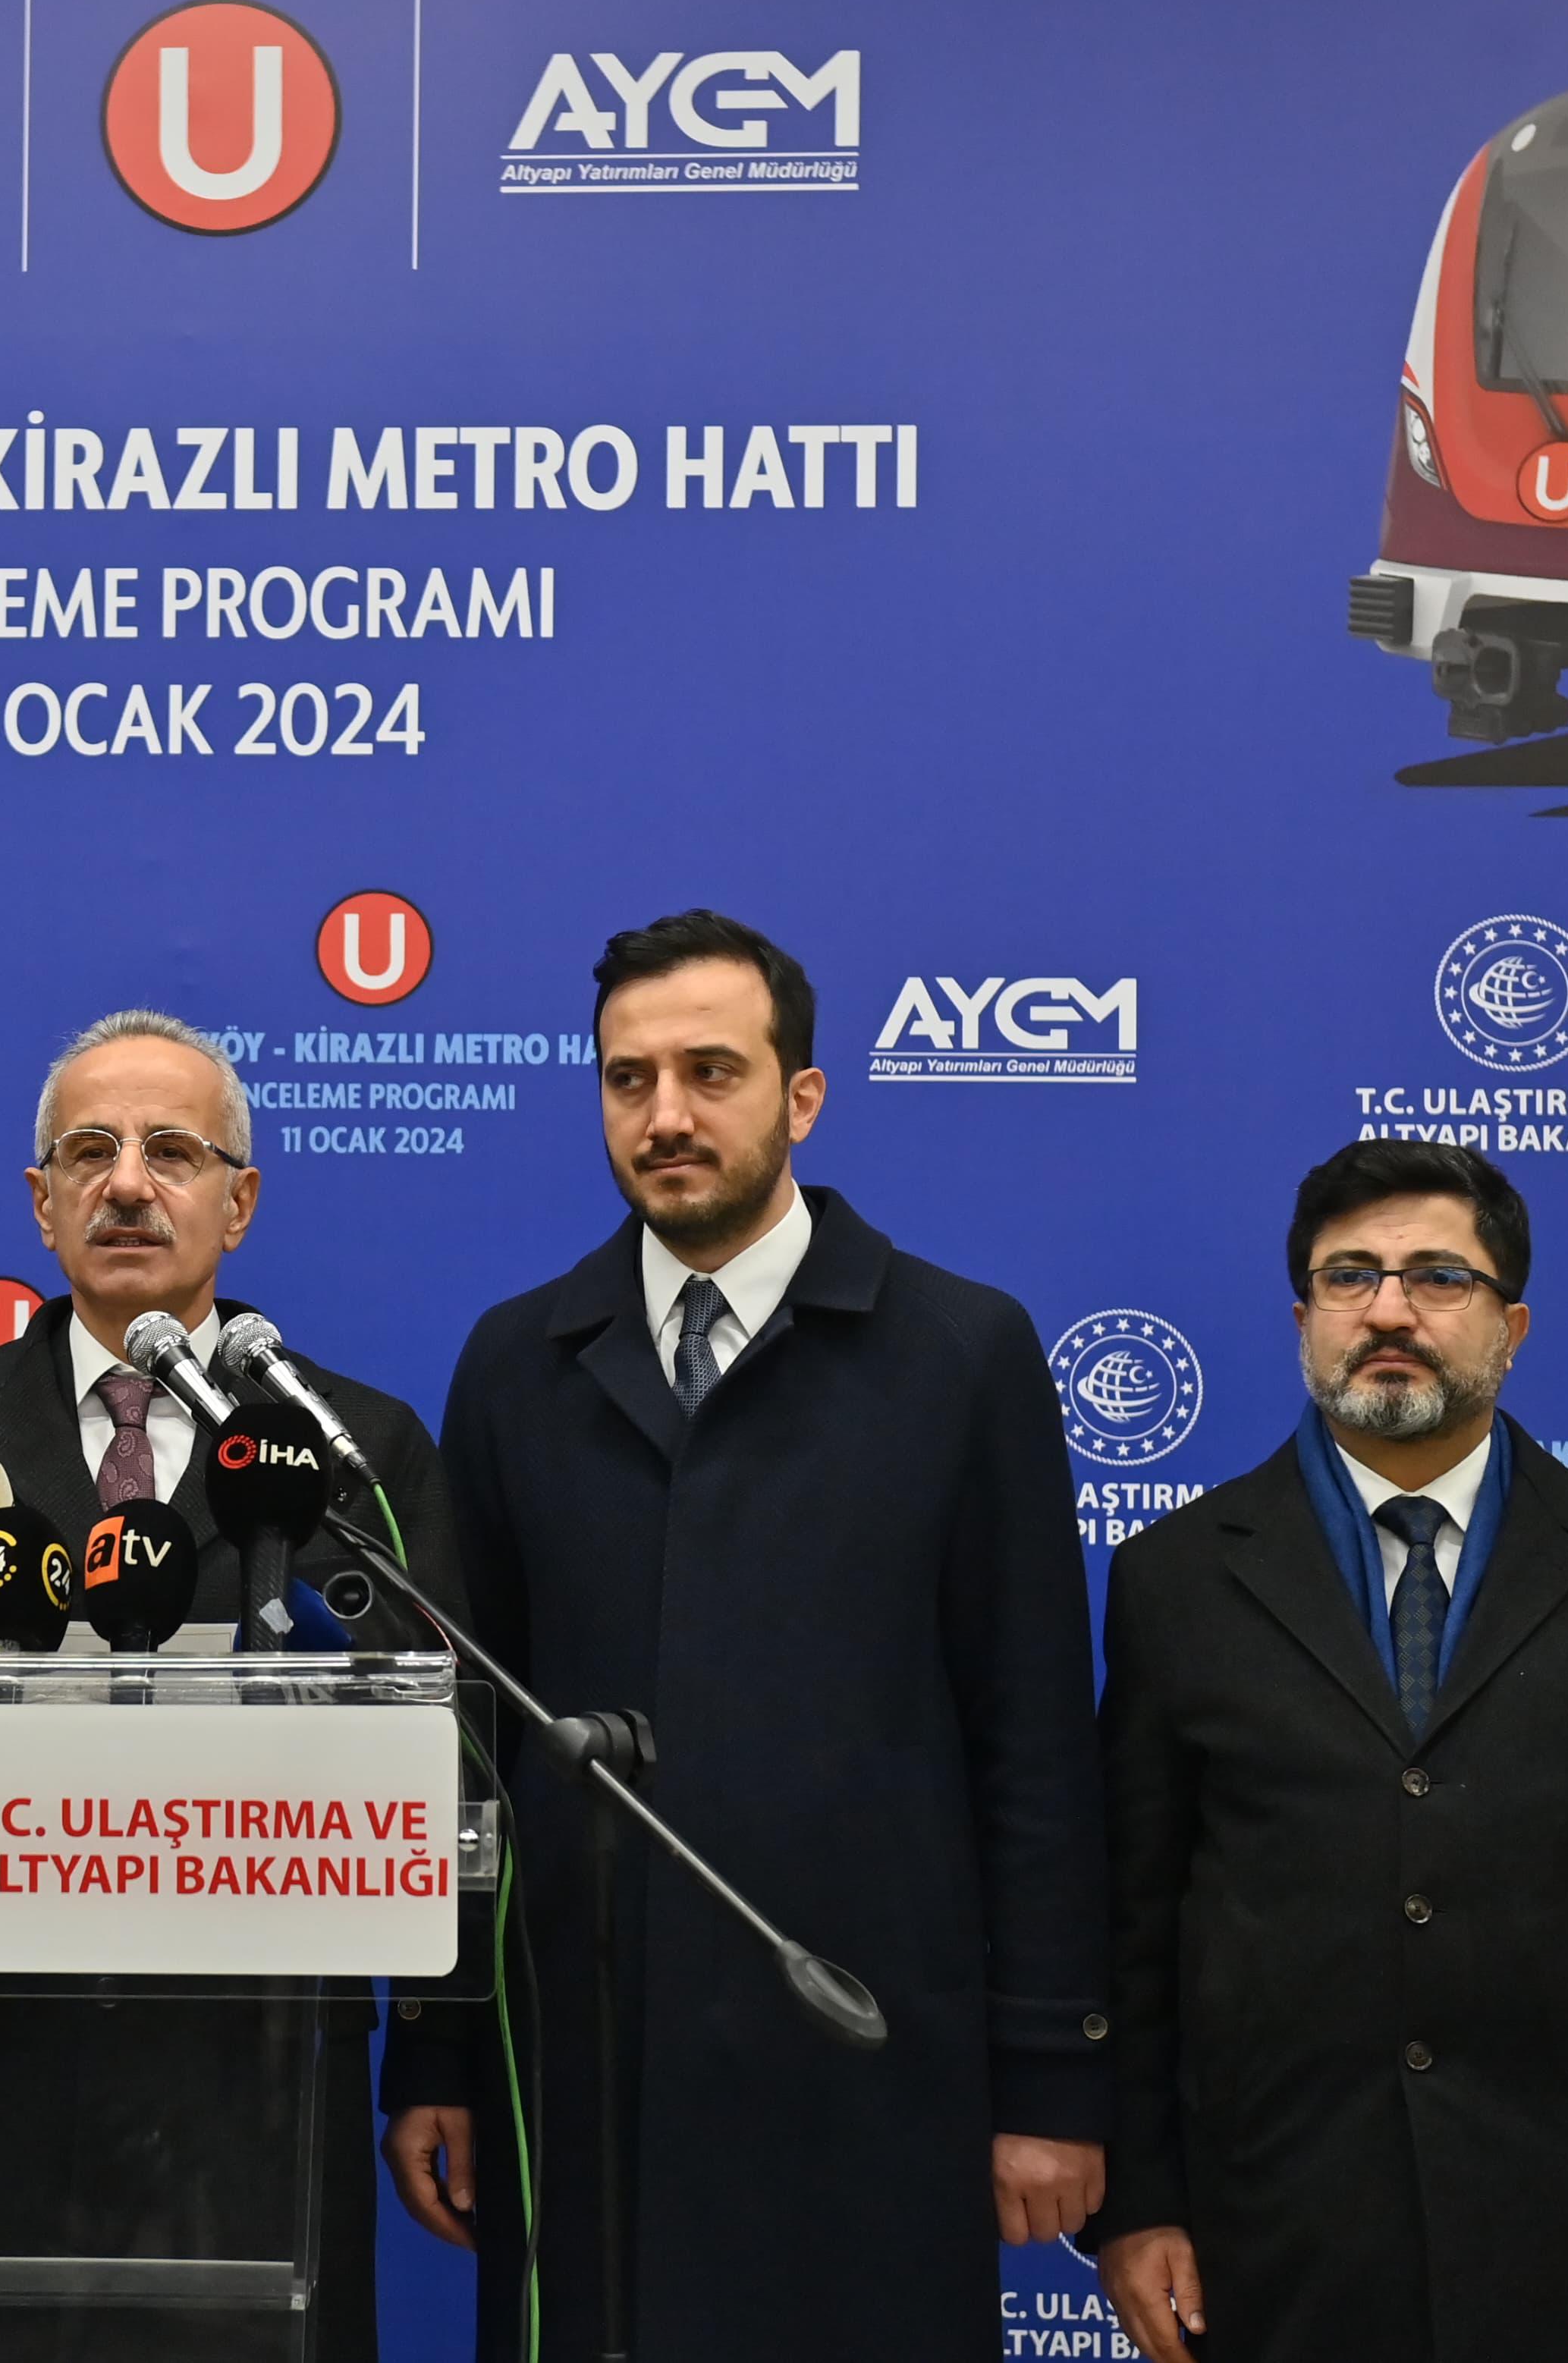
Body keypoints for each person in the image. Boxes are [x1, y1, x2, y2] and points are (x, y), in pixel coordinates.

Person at [391, 910, 1109, 2361]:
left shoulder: (961, 1351)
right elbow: (457, 1748)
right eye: (628, 1077)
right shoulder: (515, 1361)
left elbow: (1033, 1741)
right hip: (585, 2074)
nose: (665, 1115)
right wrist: (442, 2049)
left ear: (802, 1097)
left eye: (710, 1071)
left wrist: (1045, 2078)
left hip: (869, 2065)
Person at [1089, 1139, 1568, 2363]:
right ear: (1303, 1314)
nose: (1389, 1309)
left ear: (1513, 1324)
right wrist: (1135, 2202)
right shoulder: (1178, 1577)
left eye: (1438, 1277)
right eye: (1349, 1275)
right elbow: (1130, 1925)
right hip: (1270, 2241)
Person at [0, 1007, 466, 2363]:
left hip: (254, 2067)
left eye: (172, 1151)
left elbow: (443, 1764)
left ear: (238, 1204)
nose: (128, 1183)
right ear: (41, 1203)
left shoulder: (352, 1447)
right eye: (90, 1151)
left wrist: (438, 2049)